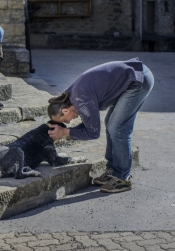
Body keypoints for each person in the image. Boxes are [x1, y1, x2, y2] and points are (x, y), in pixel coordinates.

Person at [47, 58, 154, 194]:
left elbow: (93, 133)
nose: (67, 122)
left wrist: (65, 132)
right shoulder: (71, 97)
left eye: (64, 120)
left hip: (138, 80)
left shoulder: (81, 100)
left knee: (118, 129)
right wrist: (66, 131)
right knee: (111, 124)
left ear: (65, 110)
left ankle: (122, 178)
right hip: (132, 77)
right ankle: (112, 171)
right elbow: (89, 127)